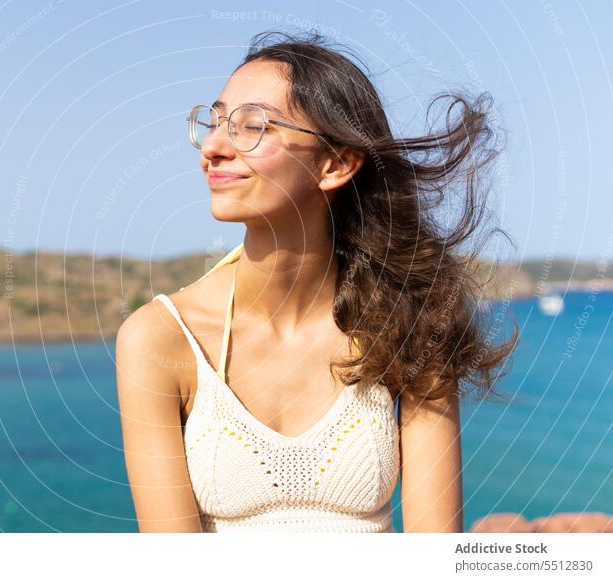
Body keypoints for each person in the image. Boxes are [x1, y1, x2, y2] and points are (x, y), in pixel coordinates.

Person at [115, 30, 518, 533]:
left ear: (335, 163)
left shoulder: (411, 320)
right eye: (215, 121)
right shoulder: (160, 337)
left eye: (251, 126)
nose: (213, 147)